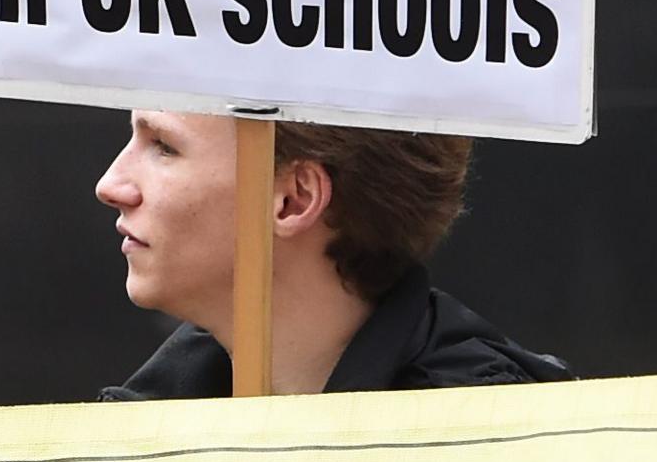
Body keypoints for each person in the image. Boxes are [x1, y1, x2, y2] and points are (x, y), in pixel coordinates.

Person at [93, 111, 565, 396]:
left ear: (293, 199)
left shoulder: (497, 451)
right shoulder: (142, 436)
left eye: (163, 147)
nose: (111, 185)